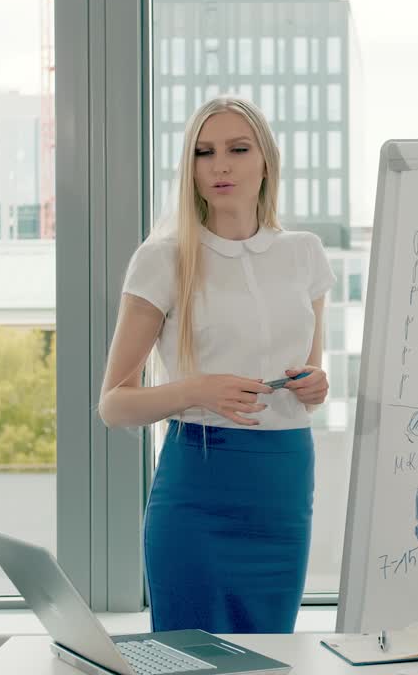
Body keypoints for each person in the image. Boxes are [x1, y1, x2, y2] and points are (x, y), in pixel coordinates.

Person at [98, 95, 335, 634]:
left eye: (237, 148)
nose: (220, 165)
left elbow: (310, 381)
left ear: (266, 159)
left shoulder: (305, 254)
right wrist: (196, 389)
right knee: (192, 663)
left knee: (272, 660)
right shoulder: (163, 257)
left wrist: (316, 385)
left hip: (284, 487)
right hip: (198, 491)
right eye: (204, 152)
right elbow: (114, 405)